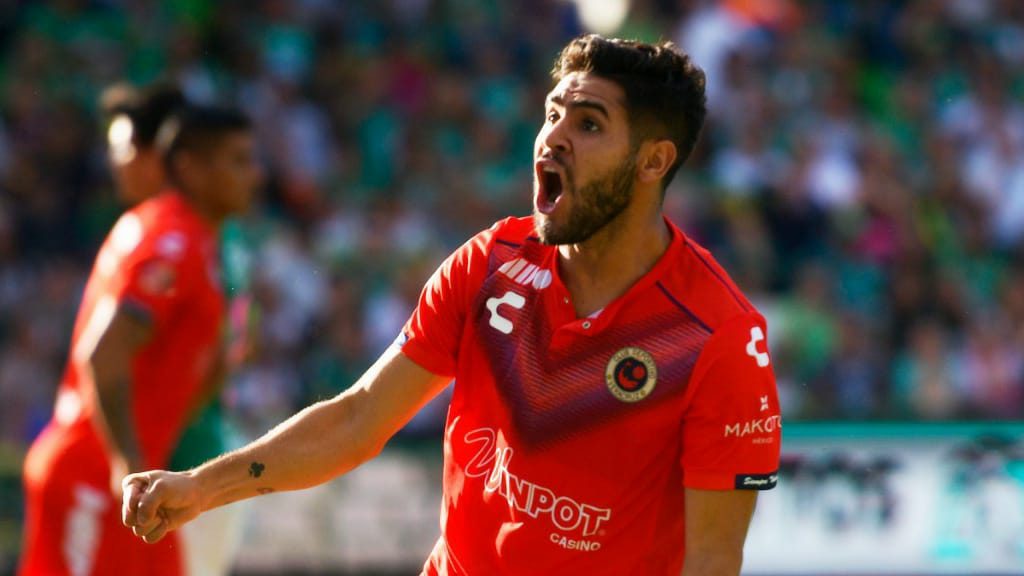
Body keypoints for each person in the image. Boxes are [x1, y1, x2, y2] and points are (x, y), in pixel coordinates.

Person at [122, 35, 782, 575]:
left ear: (652, 162)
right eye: (552, 113)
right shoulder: (490, 262)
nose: (553, 137)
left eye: (588, 124)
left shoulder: (718, 336)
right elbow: (357, 420)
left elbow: (712, 561)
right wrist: (201, 487)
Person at [19, 104, 262, 576]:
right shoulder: (173, 241)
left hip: (137, 479)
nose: (254, 175)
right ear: (190, 168)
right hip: (98, 476)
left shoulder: (194, 237)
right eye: (238, 161)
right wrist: (128, 461)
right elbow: (104, 353)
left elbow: (215, 359)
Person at [103, 82, 255, 576]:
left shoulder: (185, 240)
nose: (117, 163)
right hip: (197, 457)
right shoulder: (213, 235)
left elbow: (220, 357)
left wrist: (140, 449)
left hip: (181, 463)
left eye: (126, 149)